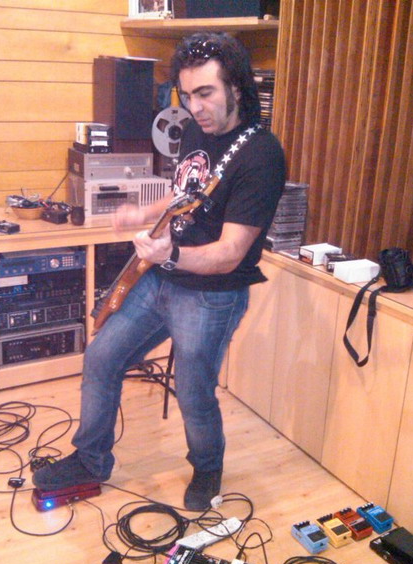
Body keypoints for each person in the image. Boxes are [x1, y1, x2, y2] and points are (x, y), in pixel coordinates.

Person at [33, 31, 286, 510]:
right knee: (102, 357)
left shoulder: (261, 155)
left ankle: (207, 469)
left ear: (236, 86)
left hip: (211, 296)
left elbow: (230, 253)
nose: (195, 107)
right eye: (186, 95)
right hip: (160, 277)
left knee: (193, 392)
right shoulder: (196, 129)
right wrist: (141, 212)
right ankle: (90, 460)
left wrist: (167, 253)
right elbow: (185, 190)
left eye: (205, 93)